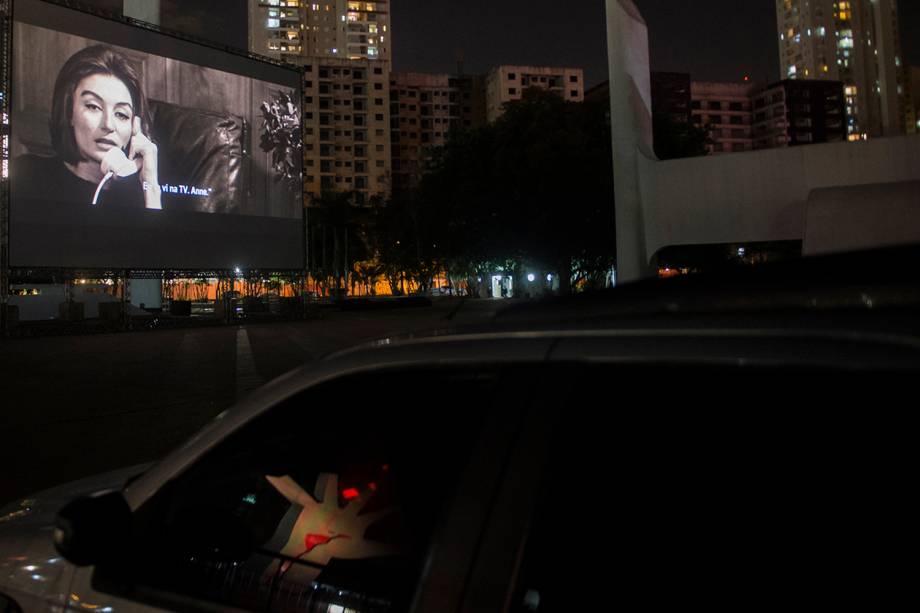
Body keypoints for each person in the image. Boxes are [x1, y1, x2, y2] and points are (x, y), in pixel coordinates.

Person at [14, 44, 160, 209]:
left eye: (121, 114)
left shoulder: (142, 196)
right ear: (69, 112)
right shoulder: (25, 175)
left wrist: (151, 186)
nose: (108, 125)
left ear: (134, 127)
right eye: (93, 106)